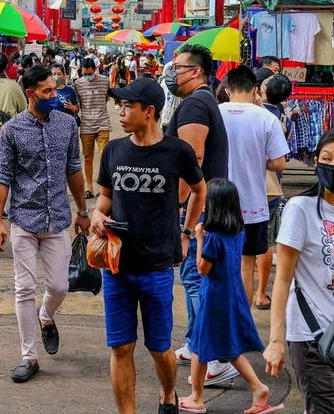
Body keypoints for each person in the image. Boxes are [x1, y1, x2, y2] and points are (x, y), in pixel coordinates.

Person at [91, 78, 207, 414]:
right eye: (121, 105)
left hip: (157, 266)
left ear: (150, 112)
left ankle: (168, 393)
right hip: (116, 266)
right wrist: (98, 216)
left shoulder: (177, 151)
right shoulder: (113, 150)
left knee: (159, 347)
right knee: (121, 347)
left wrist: (186, 234)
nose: (121, 112)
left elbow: (199, 190)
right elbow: (104, 199)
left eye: (128, 106)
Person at [264, 128, 334, 414]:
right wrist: (276, 340)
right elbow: (282, 279)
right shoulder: (300, 209)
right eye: (326, 158)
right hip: (310, 336)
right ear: (316, 161)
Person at [0, 65, 90, 384]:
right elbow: (2, 176)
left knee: (60, 285)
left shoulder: (67, 124)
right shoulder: (12, 130)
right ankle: (29, 356)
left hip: (58, 217)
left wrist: (83, 211)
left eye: (56, 88)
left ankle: (45, 316)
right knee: (24, 288)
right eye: (47, 91)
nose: (55, 95)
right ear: (30, 94)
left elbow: (74, 168)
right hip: (23, 218)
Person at [165, 44, 236, 385]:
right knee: (193, 278)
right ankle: (196, 342)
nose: (171, 71)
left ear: (196, 72)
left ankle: (216, 357)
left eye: (177, 66)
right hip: (204, 208)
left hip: (196, 211)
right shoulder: (202, 100)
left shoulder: (195, 103)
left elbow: (190, 160)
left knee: (195, 279)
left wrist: (179, 214)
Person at [179, 179, 279, 414]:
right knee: (227, 347)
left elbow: (202, 269)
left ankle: (196, 396)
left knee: (199, 345)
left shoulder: (213, 237)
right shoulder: (238, 231)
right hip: (232, 291)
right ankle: (258, 387)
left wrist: (199, 238)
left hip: (214, 295)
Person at [217, 66, 289, 304]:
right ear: (255, 90)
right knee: (246, 267)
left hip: (217, 203)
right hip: (252, 205)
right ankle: (243, 321)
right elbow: (279, 164)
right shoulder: (267, 118)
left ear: (227, 89)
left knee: (216, 265)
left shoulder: (214, 113)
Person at [256, 74, 293, 310]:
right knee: (265, 243)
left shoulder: (258, 113)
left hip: (261, 186)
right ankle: (260, 293)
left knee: (255, 244)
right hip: (271, 187)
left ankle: (253, 292)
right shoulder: (282, 117)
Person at [73, 57, 111, 200]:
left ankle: (103, 187)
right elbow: (78, 106)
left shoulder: (105, 81)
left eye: (89, 73)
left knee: (104, 155)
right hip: (86, 124)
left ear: (95, 69)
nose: (86, 76)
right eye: (84, 73)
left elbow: (106, 98)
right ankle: (89, 187)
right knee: (88, 158)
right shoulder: (78, 84)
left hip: (103, 122)